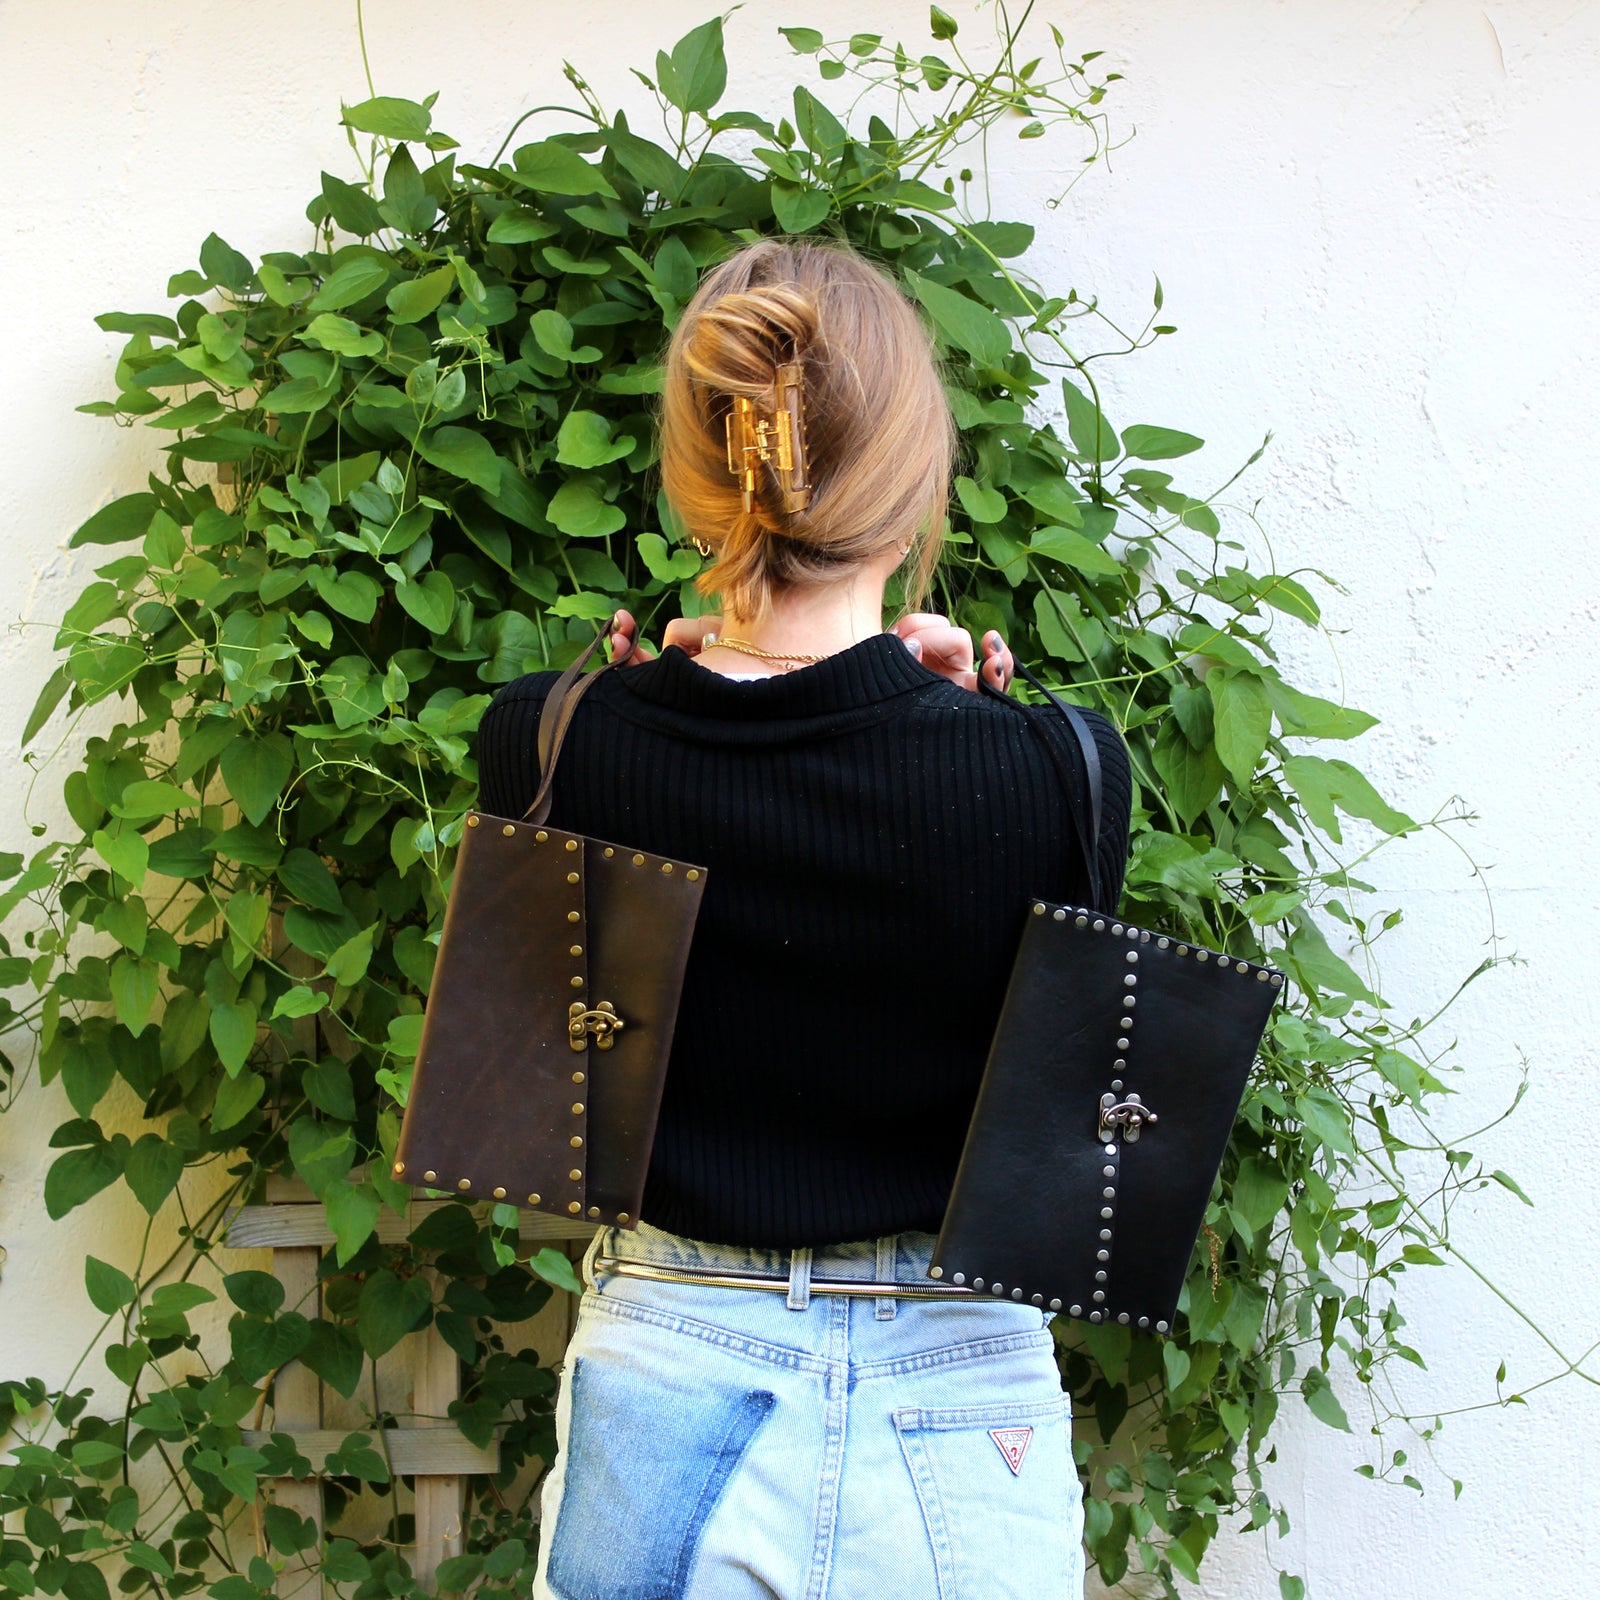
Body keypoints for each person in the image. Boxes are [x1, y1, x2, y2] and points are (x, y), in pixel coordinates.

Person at [474, 238, 1133, 1599]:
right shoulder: (1059, 773)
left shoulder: (552, 743)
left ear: (697, 473)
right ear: (914, 479)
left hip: (673, 1367)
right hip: (962, 1398)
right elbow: (1060, 1098)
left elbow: (548, 1076)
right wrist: (961, 716)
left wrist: (647, 708)